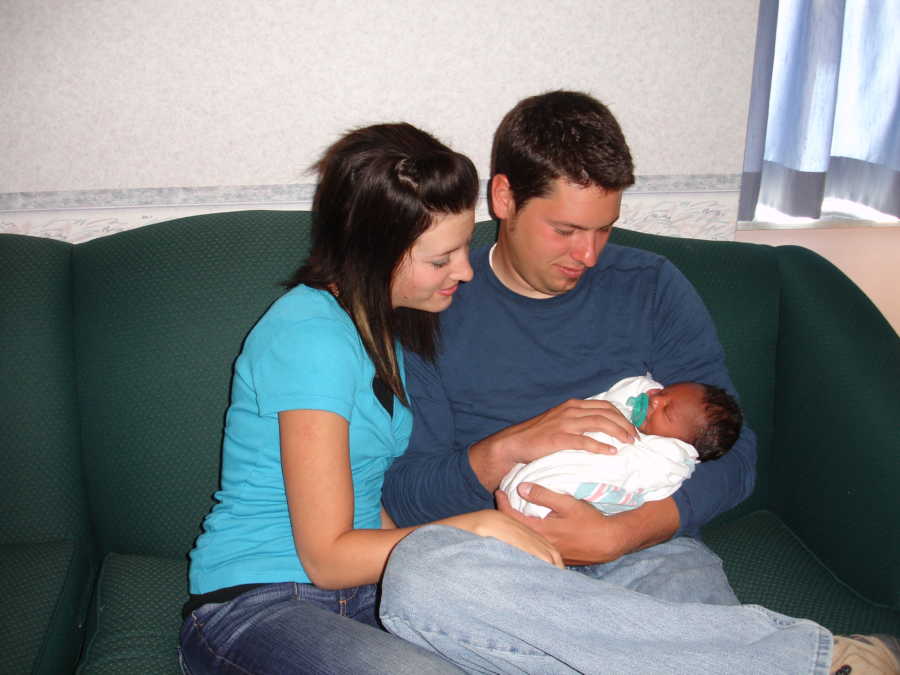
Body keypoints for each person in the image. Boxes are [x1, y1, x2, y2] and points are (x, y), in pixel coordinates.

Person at [379, 91, 899, 674]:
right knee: (420, 578)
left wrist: (621, 535)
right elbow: (405, 495)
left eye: (604, 230)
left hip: (648, 548)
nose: (590, 255)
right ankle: (812, 661)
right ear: (503, 197)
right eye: (566, 229)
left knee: (678, 586)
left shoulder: (649, 286)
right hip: (503, 561)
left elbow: (736, 451)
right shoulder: (432, 300)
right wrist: (507, 449)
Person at [178, 122, 565, 675]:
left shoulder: (382, 328)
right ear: (373, 254)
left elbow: (364, 505)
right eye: (441, 259)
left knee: (548, 636)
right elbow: (327, 555)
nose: (465, 270)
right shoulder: (310, 337)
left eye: (463, 247)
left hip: (362, 593)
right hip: (257, 604)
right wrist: (471, 529)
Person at [500, 374, 743, 518]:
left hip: (565, 504)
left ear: (683, 443)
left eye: (667, 411)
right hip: (521, 482)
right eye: (663, 392)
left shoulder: (665, 460)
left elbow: (632, 475)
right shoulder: (636, 405)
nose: (655, 399)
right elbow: (625, 392)